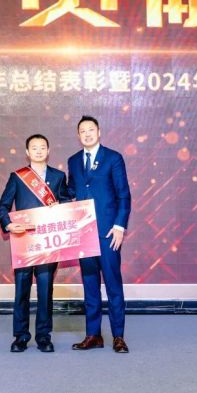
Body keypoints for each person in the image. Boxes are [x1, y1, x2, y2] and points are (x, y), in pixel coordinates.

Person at [0, 134, 70, 353]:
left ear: (48, 150)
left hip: (47, 241)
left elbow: (67, 203)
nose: (38, 151)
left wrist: (60, 206)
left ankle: (44, 337)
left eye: (42, 147)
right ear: (27, 152)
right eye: (34, 148)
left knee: (46, 291)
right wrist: (9, 224)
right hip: (24, 241)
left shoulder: (58, 176)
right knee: (22, 290)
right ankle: (21, 337)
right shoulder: (18, 177)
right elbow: (2, 206)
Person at [67, 115, 131, 353]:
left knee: (113, 284)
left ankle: (118, 336)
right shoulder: (74, 161)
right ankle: (93, 335)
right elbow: (71, 190)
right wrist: (54, 202)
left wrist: (119, 226)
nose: (87, 134)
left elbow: (124, 195)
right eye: (82, 131)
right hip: (84, 233)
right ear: (78, 135)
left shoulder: (113, 158)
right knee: (90, 284)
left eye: (90, 130)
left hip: (108, 232)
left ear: (99, 132)